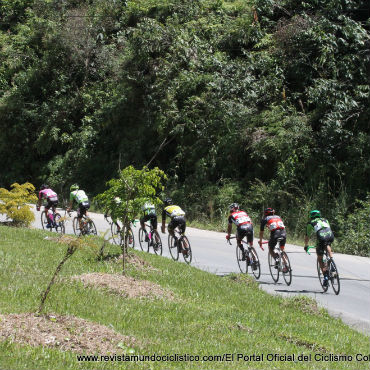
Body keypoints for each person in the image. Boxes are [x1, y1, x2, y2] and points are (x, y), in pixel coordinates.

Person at [304, 210, 335, 287]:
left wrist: (306, 245)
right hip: (330, 234)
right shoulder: (325, 220)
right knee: (327, 244)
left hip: (321, 236)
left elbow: (307, 236)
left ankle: (325, 277)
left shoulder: (310, 223)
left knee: (320, 258)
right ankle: (331, 258)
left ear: (311, 216)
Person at [259, 207, 288, 272]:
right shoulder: (278, 217)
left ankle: (276, 259)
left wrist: (260, 241)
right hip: (283, 233)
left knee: (271, 248)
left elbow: (261, 232)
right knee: (282, 249)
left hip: (275, 234)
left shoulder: (265, 219)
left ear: (265, 213)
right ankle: (286, 264)